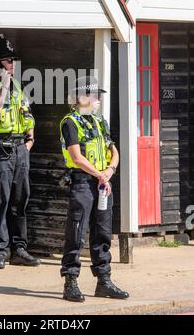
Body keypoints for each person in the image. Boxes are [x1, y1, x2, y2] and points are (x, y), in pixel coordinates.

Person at [59, 76, 129, 302]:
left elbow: (113, 150)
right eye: (94, 94)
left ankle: (104, 281)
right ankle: (70, 282)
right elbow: (76, 157)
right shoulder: (70, 122)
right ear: (81, 97)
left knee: (103, 232)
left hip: (102, 183)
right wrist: (100, 174)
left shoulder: (100, 121)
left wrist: (110, 170)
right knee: (76, 234)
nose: (99, 99)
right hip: (82, 182)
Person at [0, 34, 40, 269]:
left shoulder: (17, 86)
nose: (13, 64)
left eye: (13, 60)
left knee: (20, 201)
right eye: (8, 60)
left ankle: (20, 249)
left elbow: (27, 113)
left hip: (19, 150)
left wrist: (30, 140)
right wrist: (3, 84)